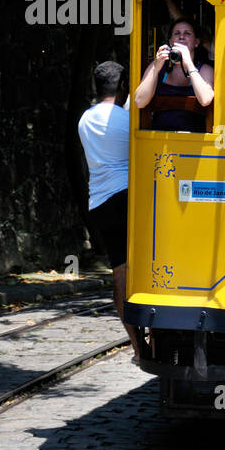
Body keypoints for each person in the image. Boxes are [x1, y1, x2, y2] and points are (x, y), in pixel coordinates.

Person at [78, 62, 142, 362]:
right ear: (122, 86)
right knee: (142, 270)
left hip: (99, 203)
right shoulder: (128, 120)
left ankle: (136, 344)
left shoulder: (84, 120)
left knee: (119, 273)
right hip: (127, 197)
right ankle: (153, 334)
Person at [135, 19, 215, 132]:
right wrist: (156, 68)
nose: (181, 37)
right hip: (159, 141)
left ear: (196, 42)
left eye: (187, 33)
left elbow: (205, 99)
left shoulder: (205, 70)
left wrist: (189, 64)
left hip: (193, 142)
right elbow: (139, 101)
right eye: (177, 33)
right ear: (170, 41)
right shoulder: (158, 66)